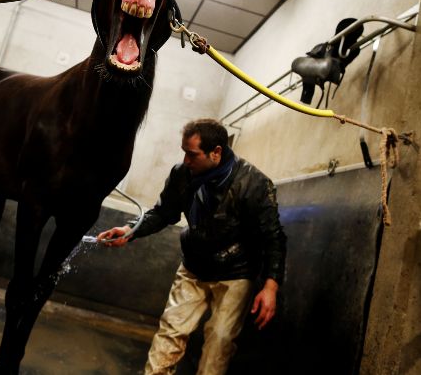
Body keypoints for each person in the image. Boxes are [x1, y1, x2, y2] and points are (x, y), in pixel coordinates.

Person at [97, 118, 287, 375]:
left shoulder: (253, 184)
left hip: (236, 273)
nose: (186, 160)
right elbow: (164, 213)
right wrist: (131, 230)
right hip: (194, 265)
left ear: (216, 152)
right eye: (184, 152)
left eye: (192, 154)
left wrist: (271, 286)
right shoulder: (182, 175)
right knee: (171, 330)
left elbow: (273, 236)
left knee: (219, 342)